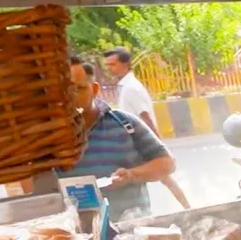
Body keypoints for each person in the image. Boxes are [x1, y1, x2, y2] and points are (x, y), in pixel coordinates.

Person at [62, 57, 177, 222]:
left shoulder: (125, 123)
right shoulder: (45, 137)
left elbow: (167, 164)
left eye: (78, 89)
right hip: (75, 238)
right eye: (64, 91)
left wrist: (131, 175)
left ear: (94, 90)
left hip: (132, 231)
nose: (70, 97)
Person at [102, 47, 191, 210]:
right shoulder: (125, 86)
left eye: (113, 64)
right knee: (165, 180)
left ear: (126, 64)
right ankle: (188, 208)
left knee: (164, 178)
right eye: (107, 65)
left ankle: (189, 208)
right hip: (135, 143)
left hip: (141, 144)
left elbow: (145, 117)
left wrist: (156, 145)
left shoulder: (131, 88)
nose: (109, 69)